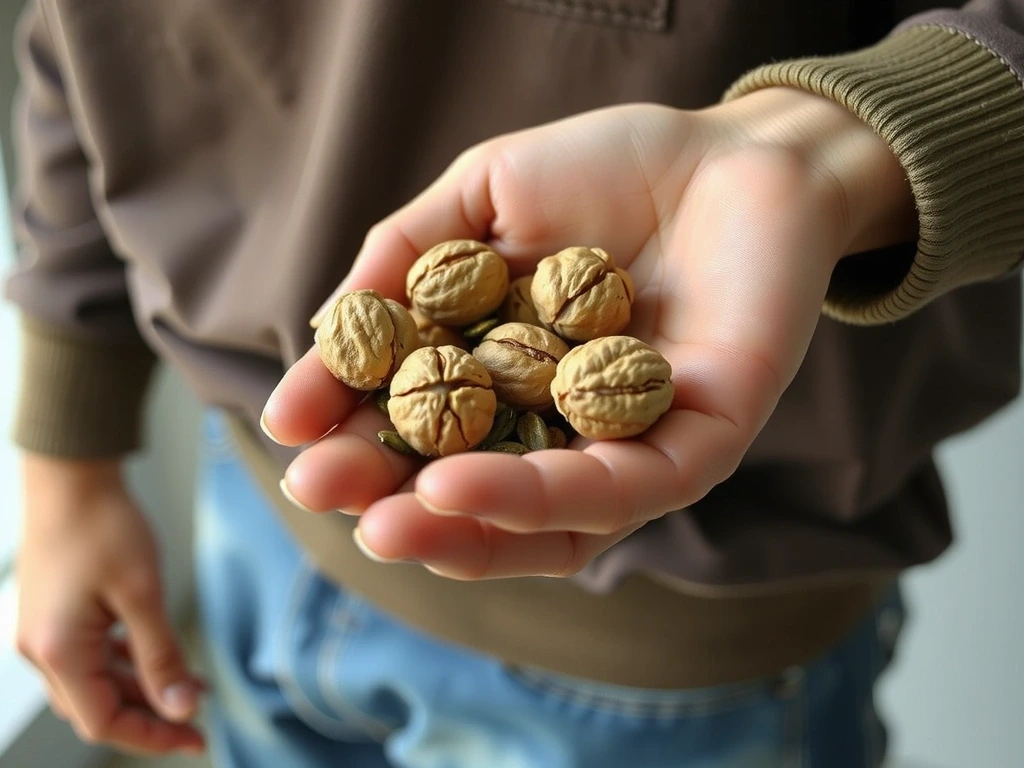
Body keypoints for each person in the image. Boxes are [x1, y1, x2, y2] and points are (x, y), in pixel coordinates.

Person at [6, 0, 1023, 766]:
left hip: (681, 647)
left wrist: (821, 156)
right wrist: (69, 453)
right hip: (257, 504)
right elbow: (82, 31)